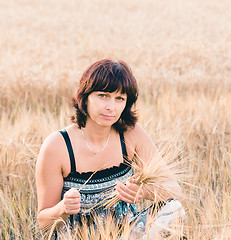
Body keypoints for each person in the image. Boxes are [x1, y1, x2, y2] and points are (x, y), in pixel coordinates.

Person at [35, 59, 185, 239]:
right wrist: (63, 208)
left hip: (126, 235)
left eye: (119, 98)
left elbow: (175, 190)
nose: (110, 107)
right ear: (85, 97)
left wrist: (144, 192)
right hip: (76, 237)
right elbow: (43, 223)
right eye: (103, 95)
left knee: (174, 210)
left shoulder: (131, 135)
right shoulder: (57, 146)